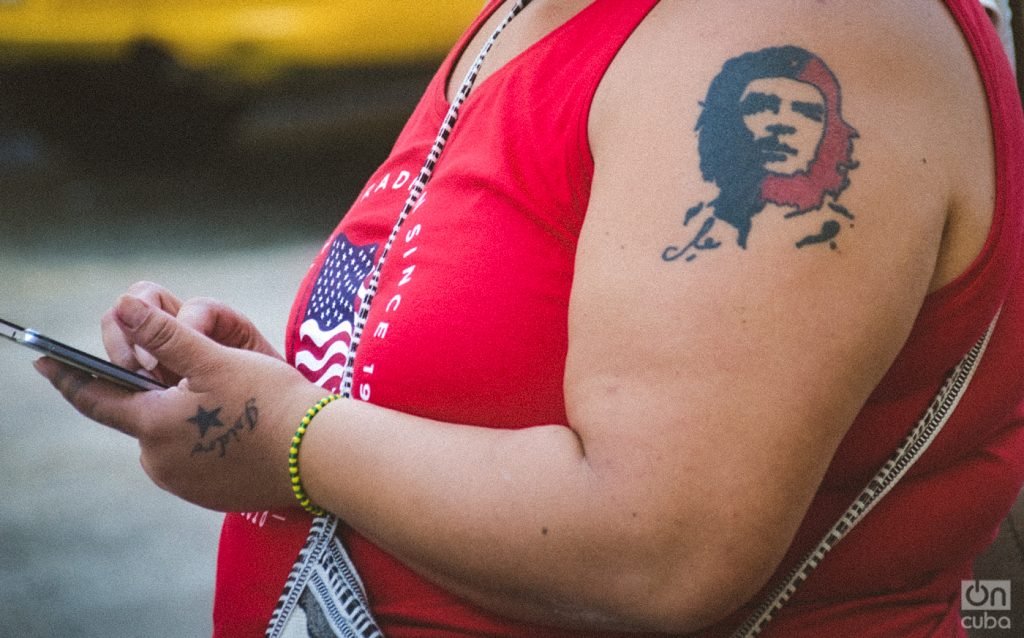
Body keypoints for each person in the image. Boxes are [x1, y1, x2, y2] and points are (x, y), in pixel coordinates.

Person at [34, 1, 1024, 636]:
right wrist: (273, 381)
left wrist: (289, 435)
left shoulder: (785, 31)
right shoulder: (545, 12)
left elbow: (655, 548)